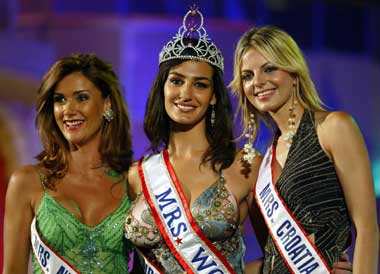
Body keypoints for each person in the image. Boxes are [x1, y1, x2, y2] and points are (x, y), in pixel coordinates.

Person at [124, 6, 353, 274]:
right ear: (162, 88)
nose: (185, 93)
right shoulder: (136, 175)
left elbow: (279, 258)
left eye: (200, 84)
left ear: (214, 97)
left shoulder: (246, 166)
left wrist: (319, 264)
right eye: (176, 81)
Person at [229, 25, 379, 273]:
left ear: (294, 72)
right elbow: (273, 254)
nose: (258, 82)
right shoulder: (266, 157)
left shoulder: (333, 128)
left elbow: (367, 229)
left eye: (269, 69)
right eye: (247, 76)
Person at [3, 54, 134, 274]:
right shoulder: (27, 182)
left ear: (106, 105)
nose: (68, 110)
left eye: (81, 98)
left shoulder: (132, 183)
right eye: (60, 100)